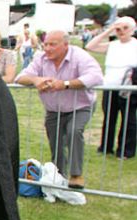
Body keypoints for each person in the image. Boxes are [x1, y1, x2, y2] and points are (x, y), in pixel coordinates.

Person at [15, 30, 103, 189]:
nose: (47, 48)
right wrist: (36, 80)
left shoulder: (80, 56)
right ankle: (60, 174)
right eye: (46, 44)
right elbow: (20, 77)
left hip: (80, 106)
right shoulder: (41, 59)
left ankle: (76, 175)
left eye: (52, 44)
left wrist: (65, 84)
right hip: (54, 110)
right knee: (55, 139)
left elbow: (96, 76)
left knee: (74, 131)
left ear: (65, 45)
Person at [86, 16, 137, 159]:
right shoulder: (113, 45)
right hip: (110, 86)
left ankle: (126, 150)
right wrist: (109, 30)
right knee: (109, 118)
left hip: (128, 88)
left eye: (125, 28)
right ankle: (106, 147)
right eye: (119, 28)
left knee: (128, 119)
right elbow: (90, 46)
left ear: (132, 30)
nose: (122, 31)